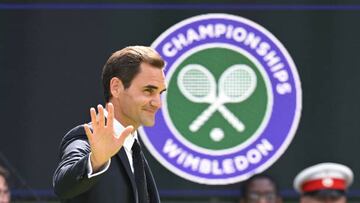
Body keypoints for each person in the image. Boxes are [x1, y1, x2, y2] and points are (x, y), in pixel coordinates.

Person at [53, 46, 166, 203]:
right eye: (148, 90)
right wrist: (95, 161)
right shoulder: (86, 138)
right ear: (116, 87)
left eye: (160, 92)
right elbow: (63, 186)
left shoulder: (134, 150)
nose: (157, 103)